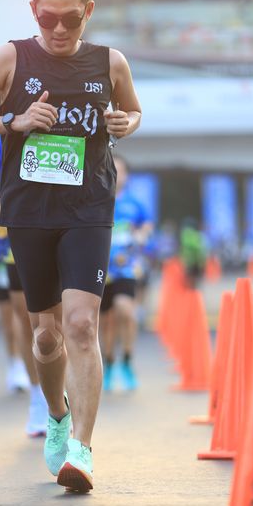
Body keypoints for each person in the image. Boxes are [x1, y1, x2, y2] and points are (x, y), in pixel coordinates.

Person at [0, 0, 141, 491]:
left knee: (81, 324)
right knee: (46, 334)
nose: (59, 29)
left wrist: (125, 123)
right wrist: (12, 120)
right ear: (33, 10)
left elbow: (133, 113)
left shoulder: (111, 62)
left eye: (71, 19)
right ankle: (56, 414)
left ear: (88, 12)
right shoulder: (11, 57)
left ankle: (82, 447)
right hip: (30, 214)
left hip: (89, 210)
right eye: (47, 18)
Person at [0, 134, 49, 435]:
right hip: (17, 231)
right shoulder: (1, 131)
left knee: (64, 317)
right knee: (27, 318)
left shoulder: (72, 116)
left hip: (66, 225)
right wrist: (1, 210)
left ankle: (62, 396)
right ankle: (38, 396)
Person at [99, 155, 152, 393]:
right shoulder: (96, 199)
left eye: (120, 170)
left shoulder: (135, 203)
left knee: (126, 310)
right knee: (106, 321)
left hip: (127, 267)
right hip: (100, 267)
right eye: (111, 169)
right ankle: (109, 362)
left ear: (127, 176)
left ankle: (128, 360)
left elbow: (147, 225)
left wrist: (141, 235)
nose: (116, 174)